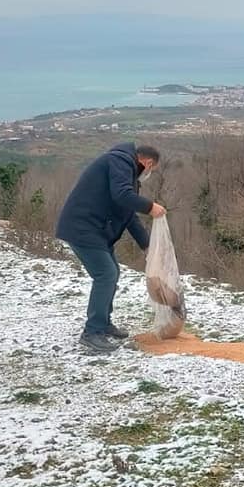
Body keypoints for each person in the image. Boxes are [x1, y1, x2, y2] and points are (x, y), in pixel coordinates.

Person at [55, 142, 167, 352]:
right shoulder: (120, 162)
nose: (149, 173)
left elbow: (128, 215)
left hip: (95, 230)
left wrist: (147, 246)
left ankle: (103, 323)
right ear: (148, 162)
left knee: (112, 273)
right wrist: (150, 207)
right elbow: (122, 196)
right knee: (105, 274)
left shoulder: (126, 171)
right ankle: (92, 332)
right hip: (82, 228)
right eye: (152, 169)